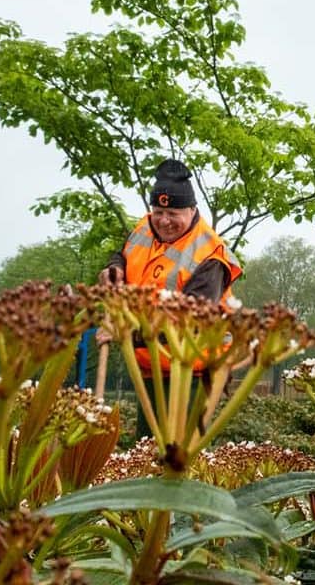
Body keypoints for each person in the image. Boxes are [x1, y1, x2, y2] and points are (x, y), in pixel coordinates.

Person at [98, 158, 242, 436]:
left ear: (192, 210)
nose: (164, 221)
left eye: (173, 213)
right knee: (145, 452)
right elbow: (124, 254)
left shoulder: (210, 255)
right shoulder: (144, 227)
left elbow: (188, 324)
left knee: (174, 460)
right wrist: (114, 268)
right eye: (158, 211)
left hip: (193, 373)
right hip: (150, 367)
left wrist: (125, 332)